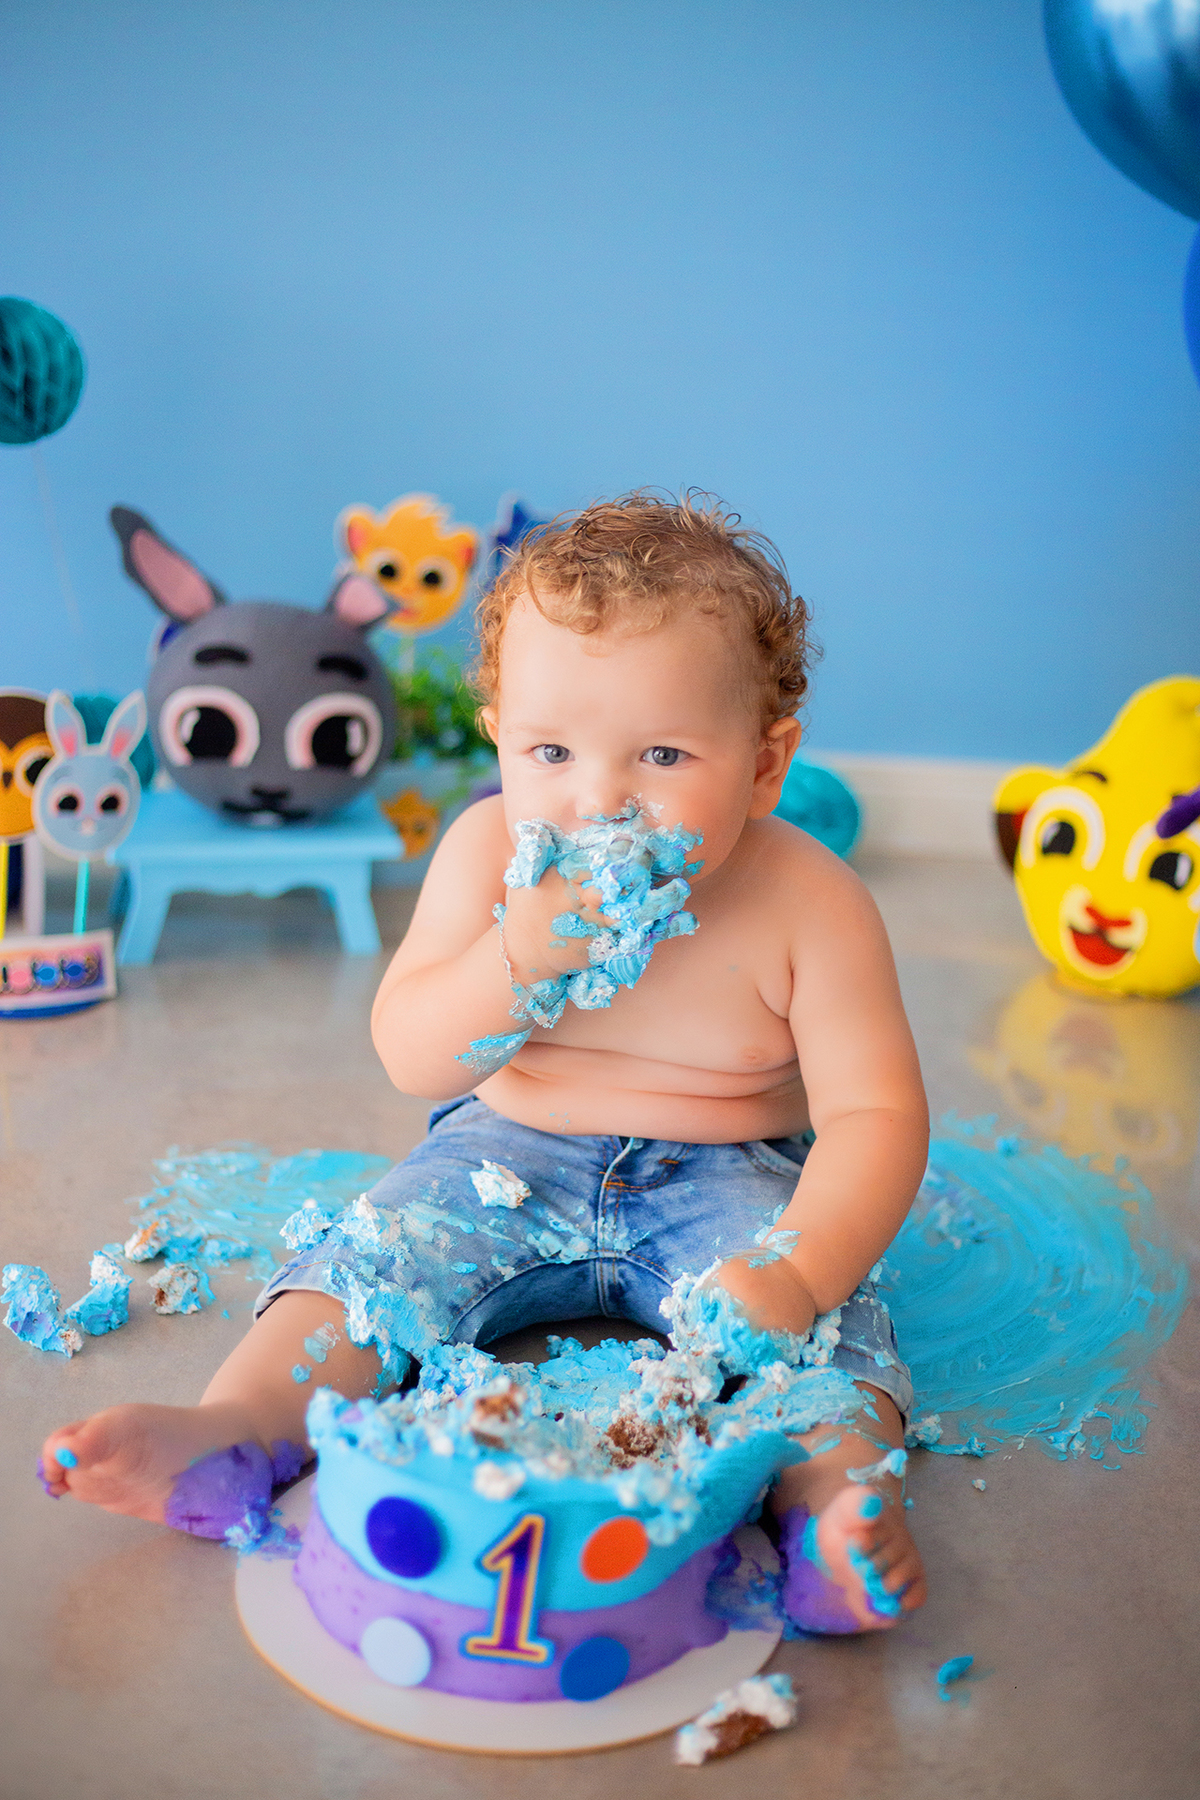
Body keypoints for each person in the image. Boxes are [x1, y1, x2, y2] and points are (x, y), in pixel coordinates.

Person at [39, 494, 929, 1632]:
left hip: (732, 1171)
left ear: (764, 764)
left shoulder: (814, 901)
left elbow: (876, 1116)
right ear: (500, 732)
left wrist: (801, 1270)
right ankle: (235, 1433)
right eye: (549, 750)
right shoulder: (484, 851)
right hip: (505, 1147)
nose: (599, 797)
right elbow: (414, 1052)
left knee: (835, 1335)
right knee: (361, 1262)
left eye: (662, 752)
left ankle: (828, 1512)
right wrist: (517, 956)